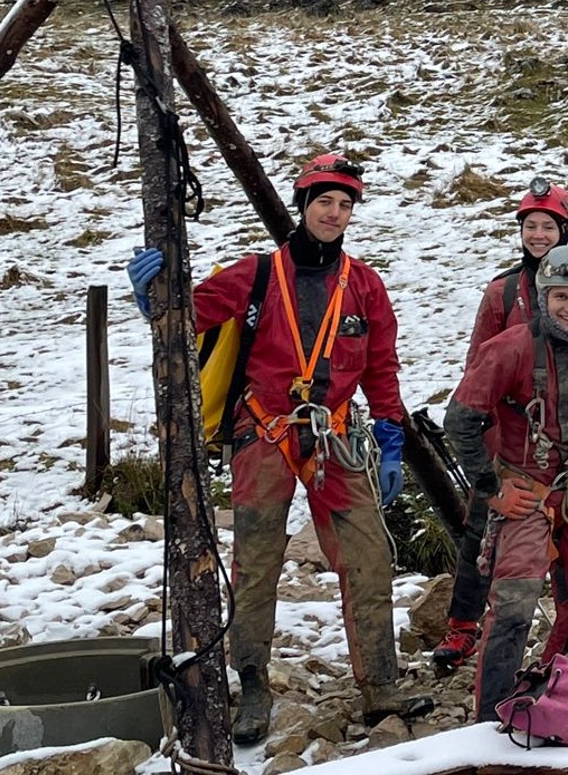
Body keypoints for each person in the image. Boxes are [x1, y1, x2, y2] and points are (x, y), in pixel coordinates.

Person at [131, 152, 434, 745]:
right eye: (324, 202)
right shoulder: (257, 274)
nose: (334, 213)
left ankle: (380, 687)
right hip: (266, 431)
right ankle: (253, 687)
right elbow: (188, 317)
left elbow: (381, 366)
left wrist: (391, 434)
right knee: (256, 562)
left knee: (370, 558)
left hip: (335, 435)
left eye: (344, 205)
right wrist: (154, 299)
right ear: (303, 206)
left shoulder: (364, 286)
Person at [443, 243, 568, 718]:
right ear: (544, 296)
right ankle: (491, 717)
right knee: (514, 605)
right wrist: (491, 489)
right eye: (560, 297)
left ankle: (562, 681)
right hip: (523, 488)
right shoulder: (508, 349)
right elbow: (460, 420)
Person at [430, 178, 568, 673]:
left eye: (547, 226)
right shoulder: (503, 292)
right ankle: (463, 625)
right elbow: (478, 365)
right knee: (483, 526)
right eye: (531, 225)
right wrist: (487, 445)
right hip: (508, 435)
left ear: (565, 232)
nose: (538, 235)